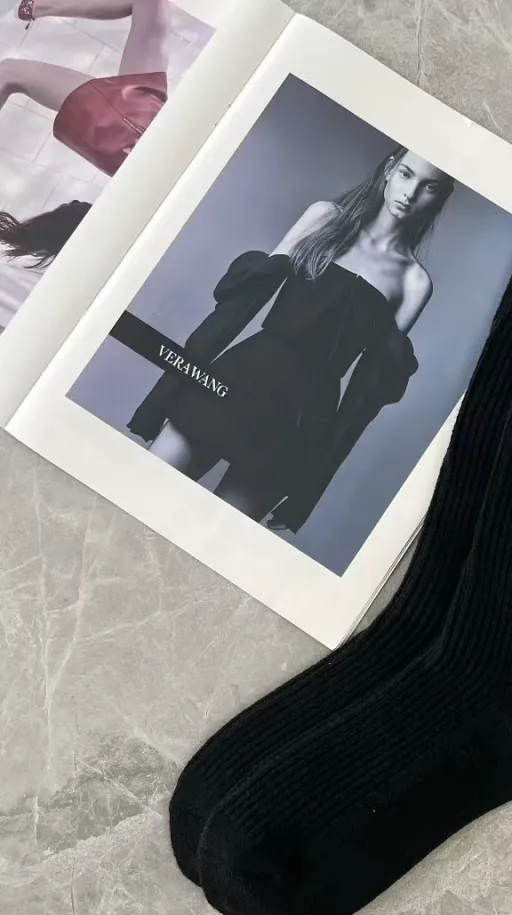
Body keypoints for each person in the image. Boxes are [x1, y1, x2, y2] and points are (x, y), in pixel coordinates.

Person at [130, 146, 455, 532]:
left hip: (304, 420)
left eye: (429, 187)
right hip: (239, 377)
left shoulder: (414, 282)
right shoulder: (325, 219)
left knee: (215, 538)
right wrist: (161, 398)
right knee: (141, 498)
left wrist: (308, 492)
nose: (411, 193)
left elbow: (363, 399)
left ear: (440, 197)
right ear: (389, 169)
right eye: (406, 174)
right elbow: (238, 308)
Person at [0, 0, 171, 265]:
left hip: (128, 134)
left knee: (9, 72)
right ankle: (37, 7)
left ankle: (38, 7)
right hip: (154, 121)